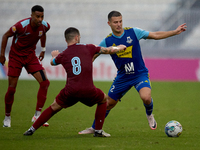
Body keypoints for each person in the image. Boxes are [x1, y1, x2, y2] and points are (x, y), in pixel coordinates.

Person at [79, 10, 187, 135]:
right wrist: (84, 67)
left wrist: (174, 32)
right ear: (109, 23)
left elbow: (155, 35)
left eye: (120, 21)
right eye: (115, 22)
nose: (119, 24)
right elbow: (94, 55)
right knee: (108, 104)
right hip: (123, 77)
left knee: (146, 97)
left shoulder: (133, 32)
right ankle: (94, 127)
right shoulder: (107, 41)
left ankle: (149, 114)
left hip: (139, 74)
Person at [23, 27, 126, 137]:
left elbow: (52, 62)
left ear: (66, 40)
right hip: (88, 90)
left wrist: (54, 56)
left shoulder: (63, 54)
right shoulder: (89, 47)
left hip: (70, 91)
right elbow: (109, 50)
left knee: (53, 107)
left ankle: (32, 129)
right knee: (103, 99)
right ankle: (98, 131)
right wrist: (119, 47)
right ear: (77, 37)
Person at [0, 5, 50, 127]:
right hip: (16, 57)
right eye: (37, 16)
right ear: (32, 15)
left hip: (30, 57)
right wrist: (2, 54)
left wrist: (43, 49)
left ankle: (37, 116)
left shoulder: (45, 25)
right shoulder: (20, 26)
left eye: (42, 16)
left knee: (45, 83)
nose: (40, 19)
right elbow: (5, 36)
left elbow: (43, 33)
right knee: (12, 89)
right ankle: (7, 117)